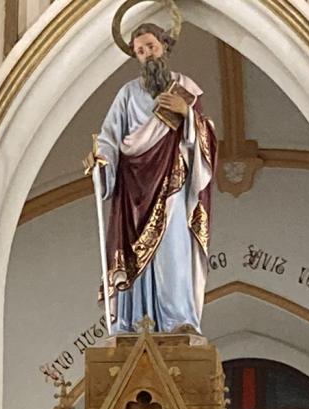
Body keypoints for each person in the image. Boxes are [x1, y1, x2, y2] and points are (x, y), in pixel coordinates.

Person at [86, 20, 216, 333]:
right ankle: (133, 321)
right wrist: (100, 159)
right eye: (140, 51)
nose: (146, 54)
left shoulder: (185, 88)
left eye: (151, 47)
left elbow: (207, 137)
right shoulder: (127, 94)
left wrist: (186, 114)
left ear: (164, 47)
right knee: (135, 256)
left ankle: (178, 320)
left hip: (171, 183)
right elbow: (109, 137)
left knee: (173, 250)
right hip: (133, 189)